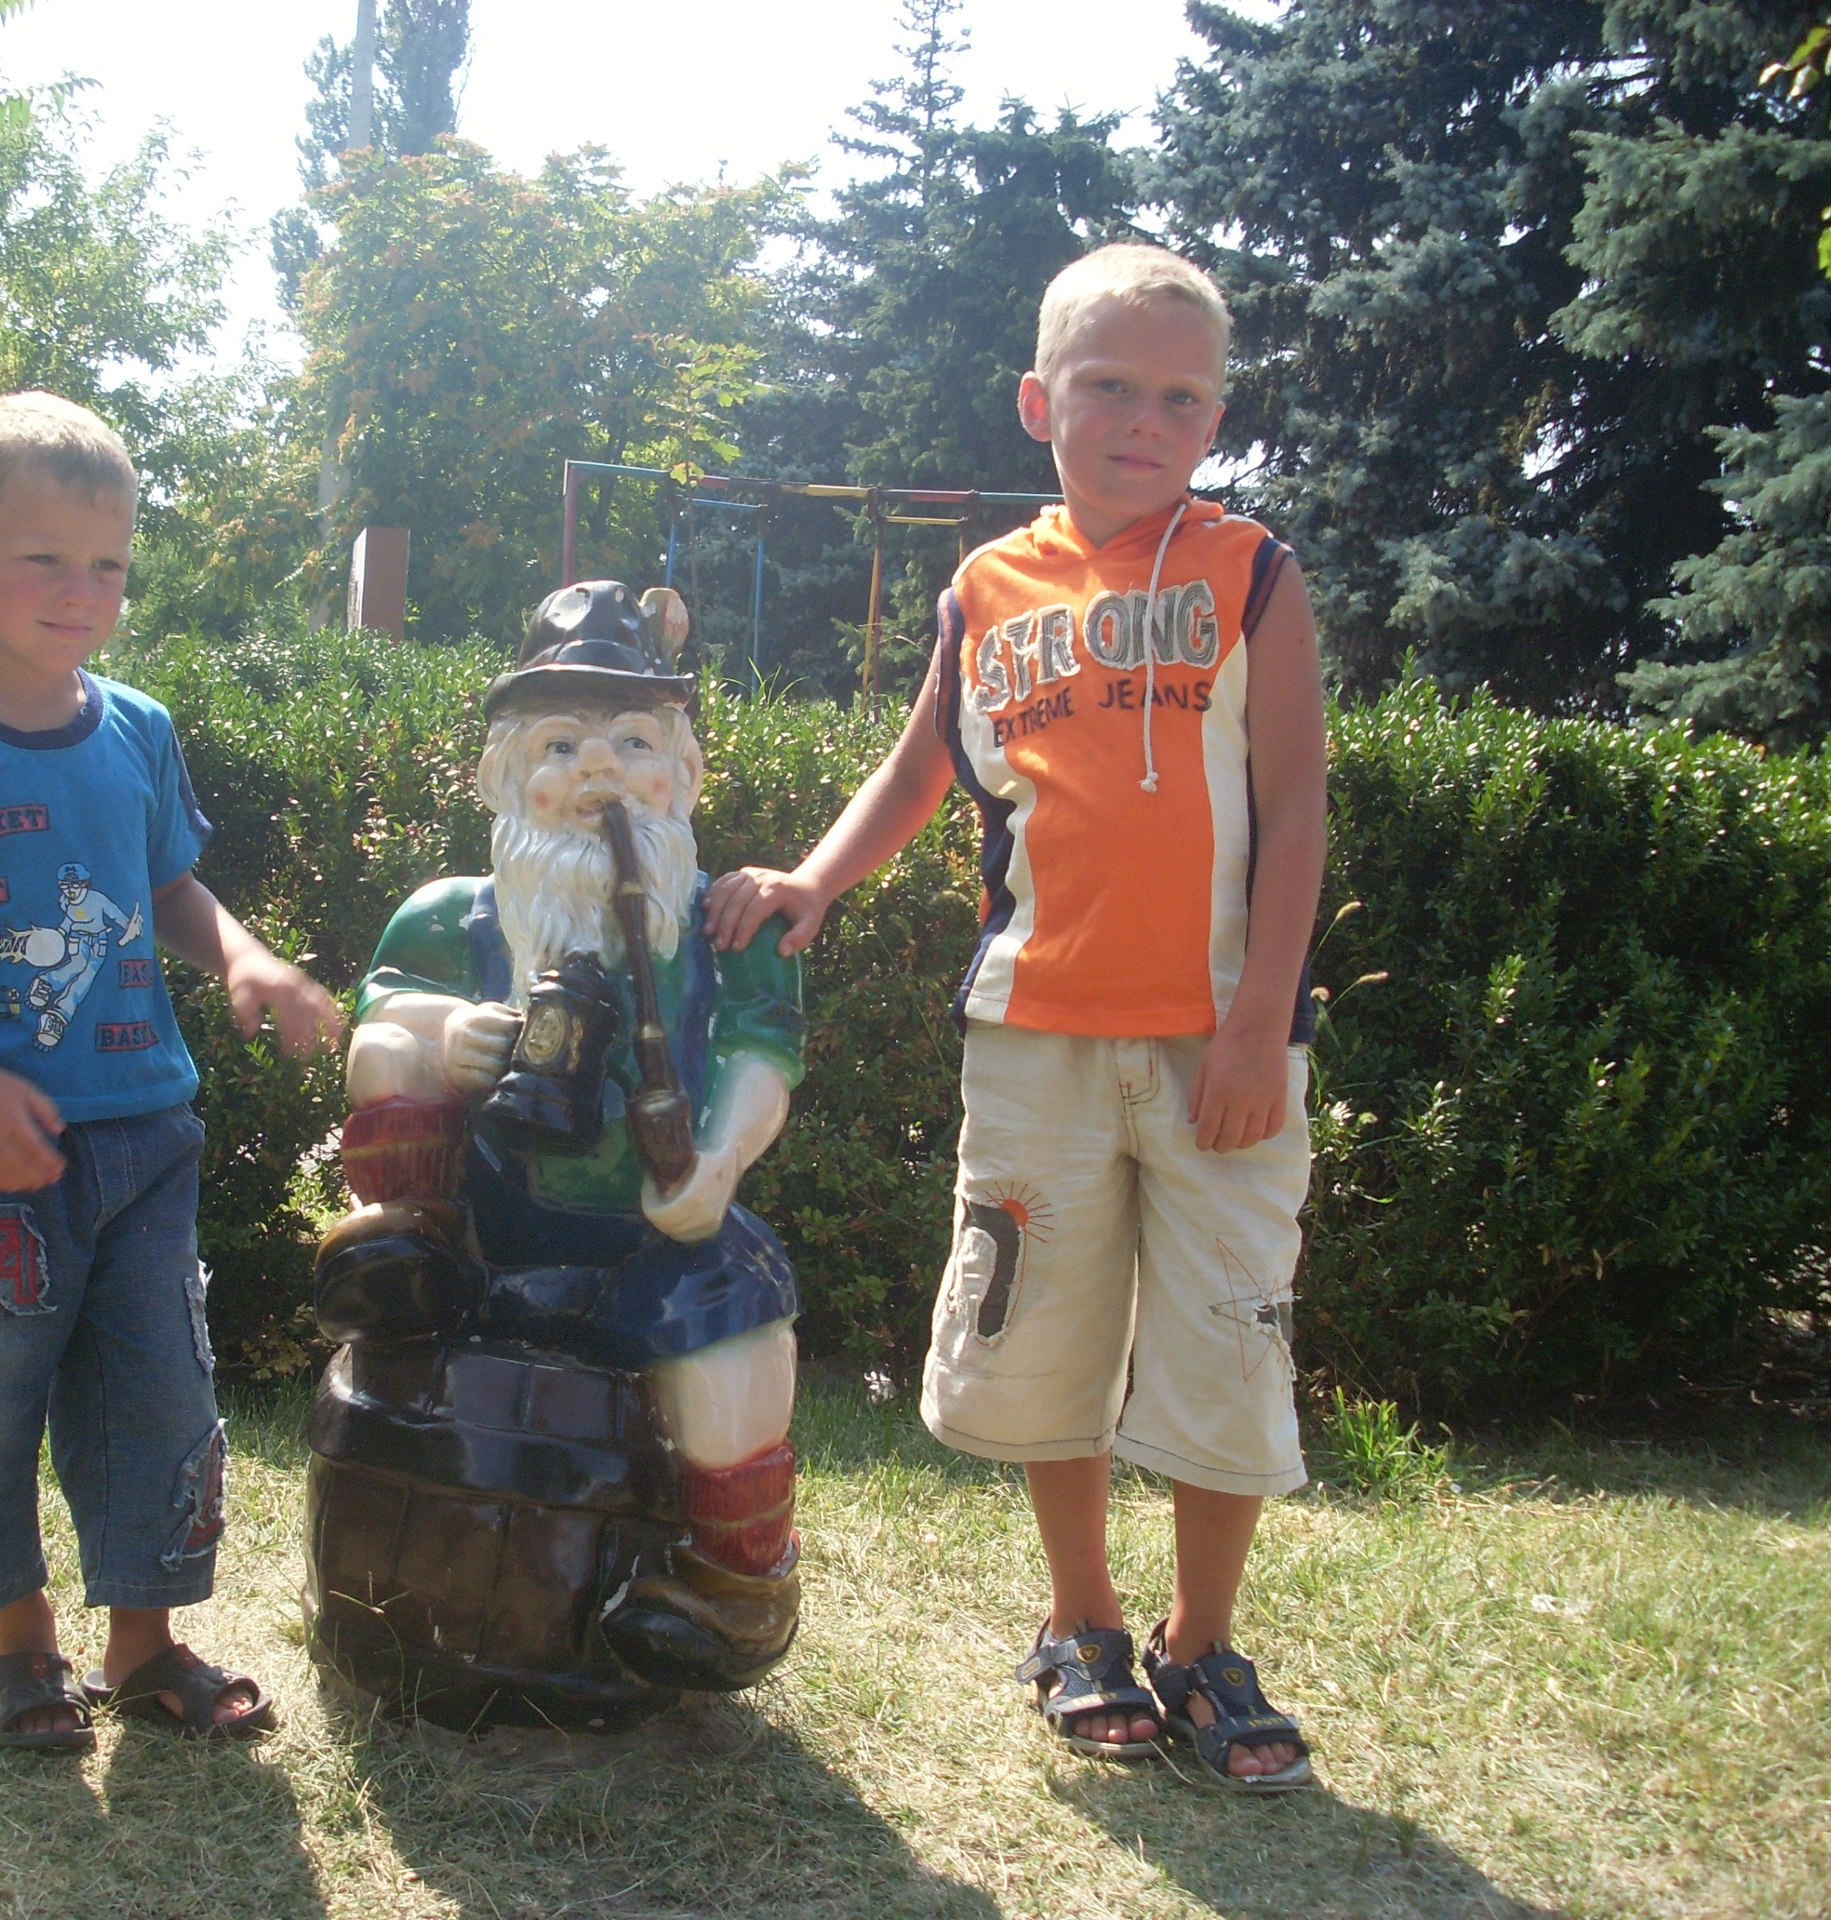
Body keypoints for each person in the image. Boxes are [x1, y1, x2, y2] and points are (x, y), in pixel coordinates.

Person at [706, 244, 1326, 1791]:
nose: (1144, 420)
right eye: (1109, 386)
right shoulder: (985, 588)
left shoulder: (1251, 569)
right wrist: (816, 879)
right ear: (1041, 402)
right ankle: (1082, 1619)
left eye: (1180, 397)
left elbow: (1300, 805)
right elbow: (924, 765)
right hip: (1033, 1031)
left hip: (1221, 1045)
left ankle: (1203, 1641)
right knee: (1043, 1324)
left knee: (1227, 1329)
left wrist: (1261, 1017)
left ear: (1215, 417)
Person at [0, 391, 342, 1748]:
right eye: (42, 558)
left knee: (158, 1392)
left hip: (145, 1128)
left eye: (107, 564)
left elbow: (168, 887)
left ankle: (146, 1648)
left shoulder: (138, 729)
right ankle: (23, 1653)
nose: (81, 591)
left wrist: (246, 956)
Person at [321, 581, 808, 1703]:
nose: (600, 773)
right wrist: (452, 1034)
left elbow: (760, 1057)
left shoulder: (733, 928)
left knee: (736, 1336)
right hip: (480, 1227)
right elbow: (376, 1016)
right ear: (503, 777)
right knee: (394, 1040)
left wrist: (718, 1163)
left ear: (683, 773)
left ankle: (735, 1583)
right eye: (560, 745)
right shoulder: (450, 916)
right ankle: (403, 1247)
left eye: (634, 741)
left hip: (652, 1233)